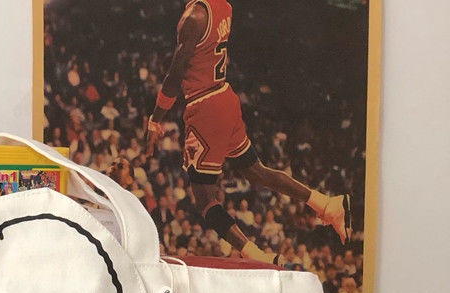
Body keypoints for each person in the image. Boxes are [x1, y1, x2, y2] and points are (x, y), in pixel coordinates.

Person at [145, 0, 351, 264]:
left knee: (204, 198)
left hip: (205, 106)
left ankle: (256, 255)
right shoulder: (224, 7)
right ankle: (325, 204)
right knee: (255, 171)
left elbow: (175, 75)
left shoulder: (194, 17)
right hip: (224, 96)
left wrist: (156, 119)